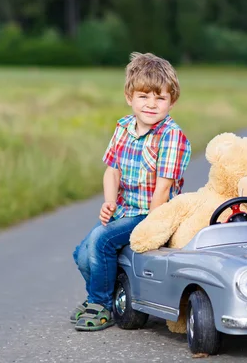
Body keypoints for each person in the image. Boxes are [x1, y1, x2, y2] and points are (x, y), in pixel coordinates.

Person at [71, 52, 192, 331]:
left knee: (101, 241)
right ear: (130, 97)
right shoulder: (123, 127)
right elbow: (112, 170)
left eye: (160, 98)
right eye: (143, 96)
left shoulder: (171, 136)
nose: (151, 104)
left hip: (151, 214)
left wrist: (152, 227)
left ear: (171, 101)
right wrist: (109, 202)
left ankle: (100, 304)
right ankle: (109, 296)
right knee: (82, 254)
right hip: (124, 209)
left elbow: (163, 190)